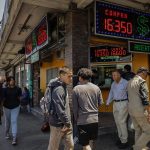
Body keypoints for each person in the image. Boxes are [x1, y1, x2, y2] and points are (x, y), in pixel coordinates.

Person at [72, 68, 103, 150]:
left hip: (83, 121)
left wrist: (75, 119)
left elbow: (75, 108)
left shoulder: (76, 89)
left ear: (80, 77)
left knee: (85, 144)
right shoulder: (96, 88)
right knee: (90, 141)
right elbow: (100, 103)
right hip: (94, 120)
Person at [47, 67, 74, 150]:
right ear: (62, 75)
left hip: (65, 123)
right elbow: (60, 110)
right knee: (53, 147)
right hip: (58, 124)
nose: (71, 79)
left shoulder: (63, 86)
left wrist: (67, 123)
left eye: (72, 76)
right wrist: (67, 123)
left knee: (70, 146)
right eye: (69, 76)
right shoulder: (59, 89)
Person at [127, 67, 150, 150]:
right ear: (143, 73)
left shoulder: (129, 82)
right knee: (148, 131)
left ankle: (139, 147)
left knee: (138, 129)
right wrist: (148, 112)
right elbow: (145, 99)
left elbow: (128, 97)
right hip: (140, 110)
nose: (147, 76)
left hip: (131, 109)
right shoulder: (141, 82)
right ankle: (137, 147)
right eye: (147, 74)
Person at [106, 69, 128, 149]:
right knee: (117, 122)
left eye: (115, 75)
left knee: (122, 122)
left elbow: (130, 93)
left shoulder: (125, 83)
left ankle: (125, 141)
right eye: (112, 75)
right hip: (115, 104)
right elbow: (111, 93)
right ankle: (120, 138)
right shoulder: (113, 83)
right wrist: (108, 102)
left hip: (123, 103)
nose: (113, 77)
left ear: (119, 75)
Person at [3, 76, 22, 145]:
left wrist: (20, 103)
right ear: (8, 81)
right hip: (6, 107)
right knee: (7, 121)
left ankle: (14, 137)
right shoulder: (4, 89)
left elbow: (20, 97)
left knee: (14, 121)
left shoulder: (18, 89)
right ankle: (7, 132)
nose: (12, 81)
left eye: (13, 80)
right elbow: (3, 99)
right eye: (11, 80)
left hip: (15, 107)